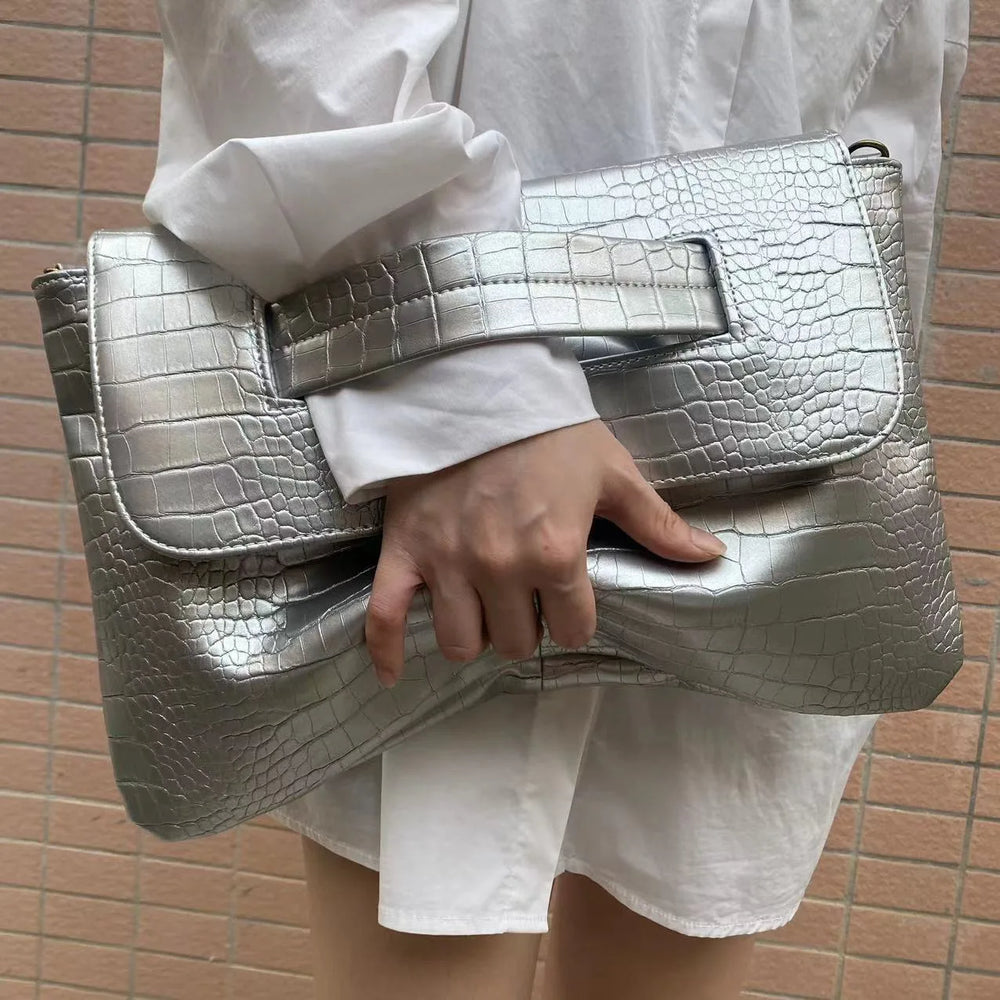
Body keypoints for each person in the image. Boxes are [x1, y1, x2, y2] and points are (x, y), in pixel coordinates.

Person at [145, 2, 969, 997]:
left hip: (766, 393)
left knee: (685, 872)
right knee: (444, 865)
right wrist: (453, 368)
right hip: (431, 364)